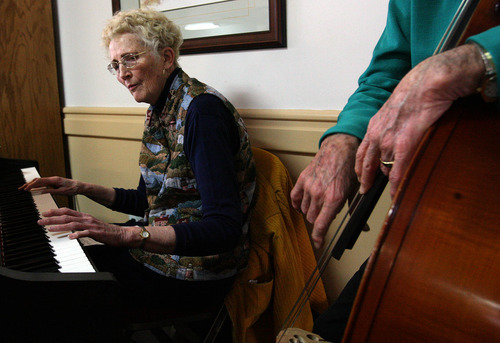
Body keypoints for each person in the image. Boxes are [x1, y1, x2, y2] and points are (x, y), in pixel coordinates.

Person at [21, 8, 256, 314]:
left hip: (195, 272)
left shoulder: (203, 112)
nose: (122, 74)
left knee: (63, 294)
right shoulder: (159, 108)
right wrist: (80, 187)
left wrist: (124, 234)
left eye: (131, 58)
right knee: (64, 247)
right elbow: (146, 202)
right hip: (158, 251)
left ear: (167, 58)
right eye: (116, 64)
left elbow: (224, 229)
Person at [290, 0, 499, 341]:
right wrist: (343, 140)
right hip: (440, 210)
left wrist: (478, 58)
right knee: (337, 330)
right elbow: (387, 75)